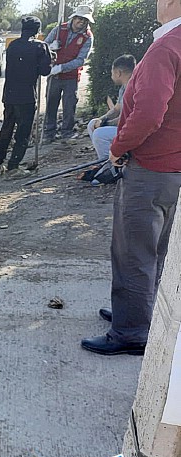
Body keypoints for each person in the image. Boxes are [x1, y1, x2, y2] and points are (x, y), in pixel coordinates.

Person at [81, 0, 181, 356]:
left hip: (150, 169)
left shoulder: (165, 47)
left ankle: (131, 331)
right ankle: (137, 313)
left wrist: (118, 147)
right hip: (170, 168)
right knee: (155, 249)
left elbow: (149, 112)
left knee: (133, 252)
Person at [0, 16, 53, 178]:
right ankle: (13, 167)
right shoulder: (40, 47)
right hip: (26, 96)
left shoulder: (12, 46)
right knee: (23, 132)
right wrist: (50, 57)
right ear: (38, 30)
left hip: (9, 95)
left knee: (6, 128)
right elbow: (45, 71)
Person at [42, 5, 94, 143]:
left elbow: (80, 60)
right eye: (79, 19)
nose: (81, 22)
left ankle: (67, 132)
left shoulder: (87, 37)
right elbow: (43, 46)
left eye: (85, 20)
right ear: (74, 17)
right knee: (51, 103)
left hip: (71, 77)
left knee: (69, 105)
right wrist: (50, 47)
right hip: (53, 75)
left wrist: (62, 68)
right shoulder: (59, 29)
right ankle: (49, 132)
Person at [86, 55, 136, 160]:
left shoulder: (134, 88)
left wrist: (104, 124)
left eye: (112, 73)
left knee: (99, 134)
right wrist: (101, 119)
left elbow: (125, 118)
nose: (111, 76)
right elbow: (117, 109)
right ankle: (104, 159)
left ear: (118, 73)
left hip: (131, 130)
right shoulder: (124, 87)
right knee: (92, 124)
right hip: (122, 125)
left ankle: (109, 166)